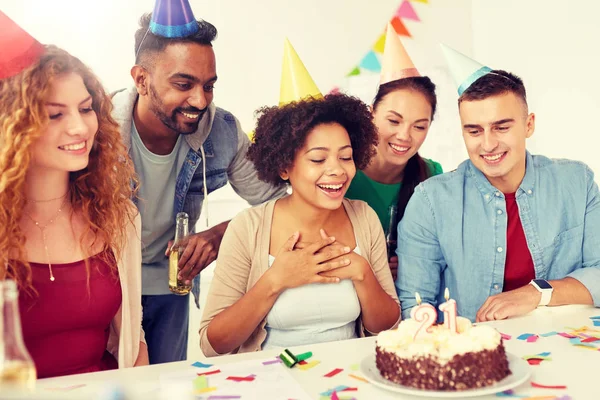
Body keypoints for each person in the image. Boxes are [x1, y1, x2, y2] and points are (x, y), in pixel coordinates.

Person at [111, 1, 286, 363]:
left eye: (209, 86)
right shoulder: (98, 129)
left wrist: (219, 235)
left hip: (169, 290)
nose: (200, 100)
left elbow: (280, 203)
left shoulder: (222, 132)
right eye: (183, 84)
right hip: (106, 287)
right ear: (141, 80)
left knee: (161, 385)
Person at [199, 41, 400, 356]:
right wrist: (275, 280)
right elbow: (213, 345)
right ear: (283, 166)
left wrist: (361, 272)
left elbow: (385, 327)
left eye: (345, 157)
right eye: (318, 160)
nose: (337, 171)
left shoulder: (363, 216)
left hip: (350, 378)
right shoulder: (248, 227)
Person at [395, 45, 600, 323]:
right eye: (474, 130)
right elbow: (415, 307)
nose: (488, 144)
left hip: (564, 347)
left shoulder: (577, 182)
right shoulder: (430, 201)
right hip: (472, 356)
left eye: (501, 127)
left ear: (529, 125)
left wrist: (536, 293)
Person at [0, 12, 147, 378]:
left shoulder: (119, 217)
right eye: (54, 115)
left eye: (85, 109)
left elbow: (132, 338)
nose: (81, 127)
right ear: (12, 127)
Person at [345, 24, 442, 280]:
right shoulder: (340, 172)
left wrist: (413, 263)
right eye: (394, 121)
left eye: (419, 126)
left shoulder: (432, 176)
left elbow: (441, 252)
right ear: (371, 113)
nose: (404, 136)